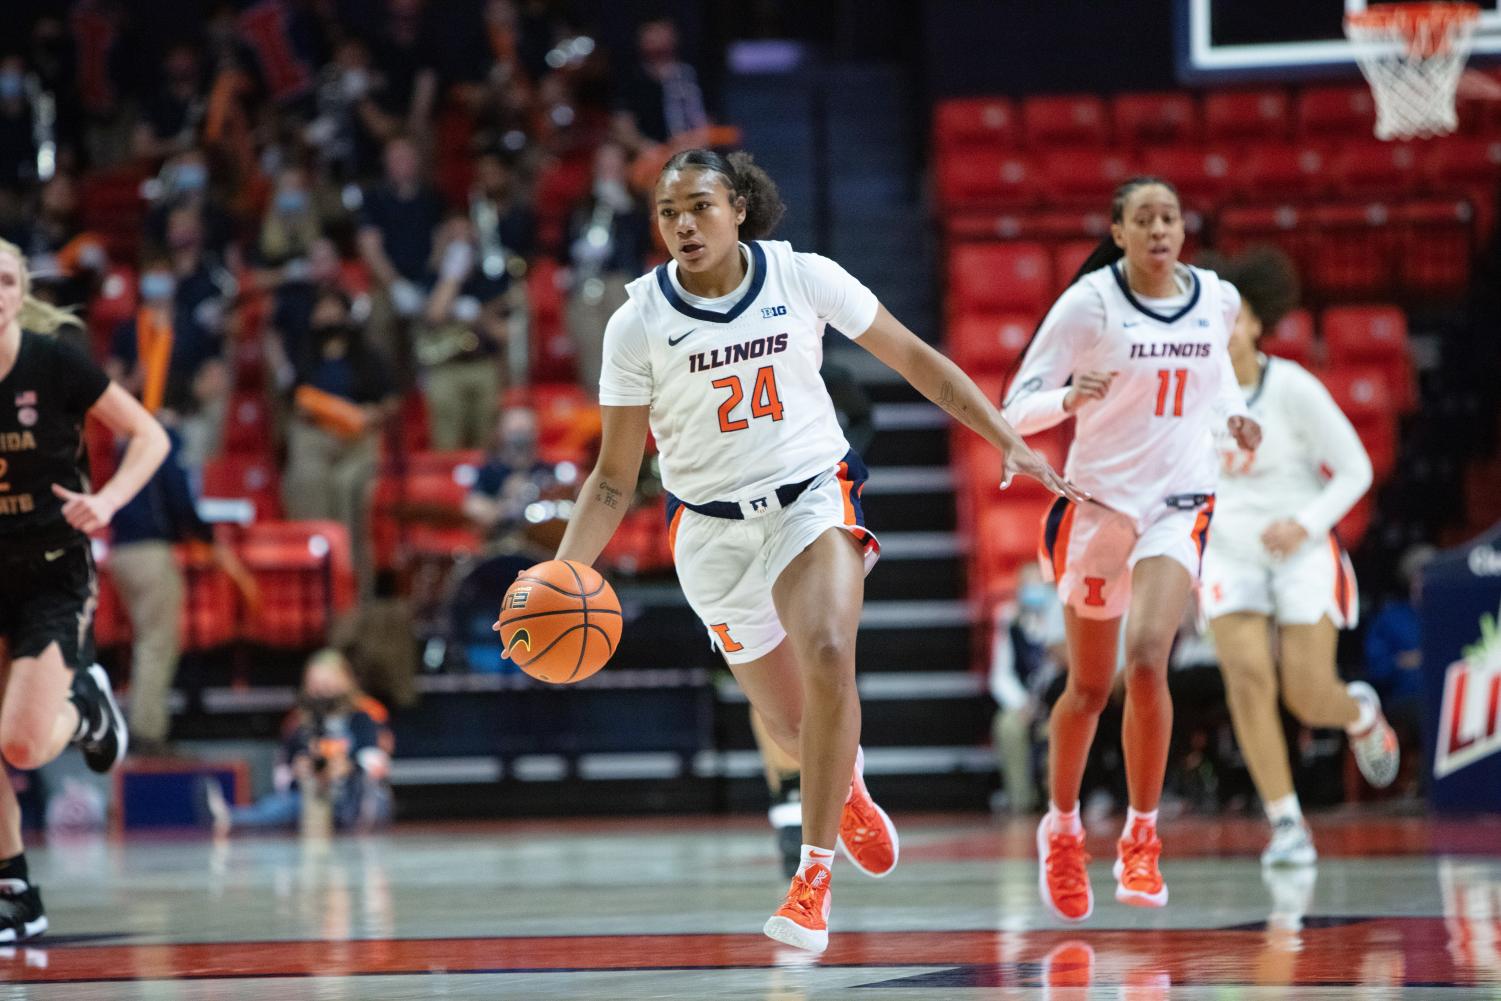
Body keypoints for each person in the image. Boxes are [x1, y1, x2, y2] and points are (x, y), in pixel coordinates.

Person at [526, 148, 1078, 954]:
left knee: (826, 653)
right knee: (790, 723)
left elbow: (916, 359)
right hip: (709, 531)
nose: (683, 223)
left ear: (739, 206)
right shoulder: (636, 320)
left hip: (811, 497)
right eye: (668, 210)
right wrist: (563, 572)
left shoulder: (803, 276)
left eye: (700, 205)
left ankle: (811, 882)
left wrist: (1006, 438)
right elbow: (613, 478)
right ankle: (844, 784)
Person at [1001, 176, 1262, 922]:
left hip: (1177, 504)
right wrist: (1069, 399)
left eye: (1168, 217)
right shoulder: (1089, 303)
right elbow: (1014, 406)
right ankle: (1060, 827)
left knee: (1148, 656)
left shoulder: (1216, 297)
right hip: (1098, 510)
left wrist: (1238, 419)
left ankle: (1141, 837)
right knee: (1087, 688)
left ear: (1183, 229)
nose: (1157, 228)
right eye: (1141, 218)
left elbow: (1215, 385)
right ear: (1117, 231)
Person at [1198, 246, 1400, 866]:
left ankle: (1359, 714)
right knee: (1247, 681)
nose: (1220, 328)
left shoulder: (1294, 388)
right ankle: (1286, 823)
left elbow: (1357, 469)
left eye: (1232, 316)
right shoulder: (1192, 394)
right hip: (1229, 552)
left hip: (1301, 547)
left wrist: (1305, 523)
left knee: (1307, 696)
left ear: (1258, 323)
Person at [0, 238, 170, 939]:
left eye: (4, 279)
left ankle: (90, 708)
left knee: (22, 746)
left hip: (49, 570)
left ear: (18, 291)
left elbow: (150, 436)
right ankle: (14, 888)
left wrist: (109, 501)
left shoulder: (54, 361)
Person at [281, 289, 398, 598]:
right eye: (322, 311)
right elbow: (291, 398)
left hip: (358, 441)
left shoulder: (367, 357)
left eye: (334, 310)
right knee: (309, 487)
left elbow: (389, 400)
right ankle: (314, 591)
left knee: (351, 496)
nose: (329, 317)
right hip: (314, 439)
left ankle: (357, 595)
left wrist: (372, 414)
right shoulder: (302, 356)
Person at [200, 649, 393, 836]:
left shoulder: (364, 718)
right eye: (317, 685)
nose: (324, 692)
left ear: (345, 681)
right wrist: (302, 771)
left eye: (329, 684)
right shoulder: (300, 724)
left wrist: (348, 767)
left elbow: (375, 761)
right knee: (281, 806)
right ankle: (229, 816)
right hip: (313, 798)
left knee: (371, 801)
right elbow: (284, 773)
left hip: (355, 795)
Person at [989, 564, 1067, 815]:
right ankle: (1020, 799)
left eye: (1039, 585)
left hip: (1058, 698)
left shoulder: (1063, 616)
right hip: (1024, 700)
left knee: (1067, 724)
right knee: (1008, 726)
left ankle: (1063, 799)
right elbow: (1000, 675)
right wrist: (1023, 703)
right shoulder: (1009, 620)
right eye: (1028, 585)